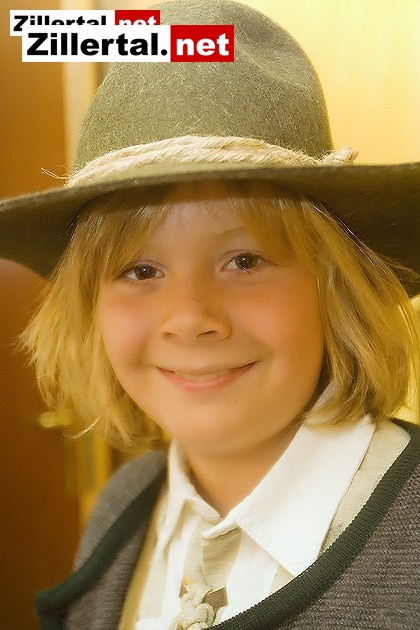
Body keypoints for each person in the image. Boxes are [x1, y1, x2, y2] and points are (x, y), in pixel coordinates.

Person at [0, 1, 419, 628]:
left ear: (336, 290)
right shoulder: (124, 508)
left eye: (244, 261)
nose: (189, 318)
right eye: (141, 271)